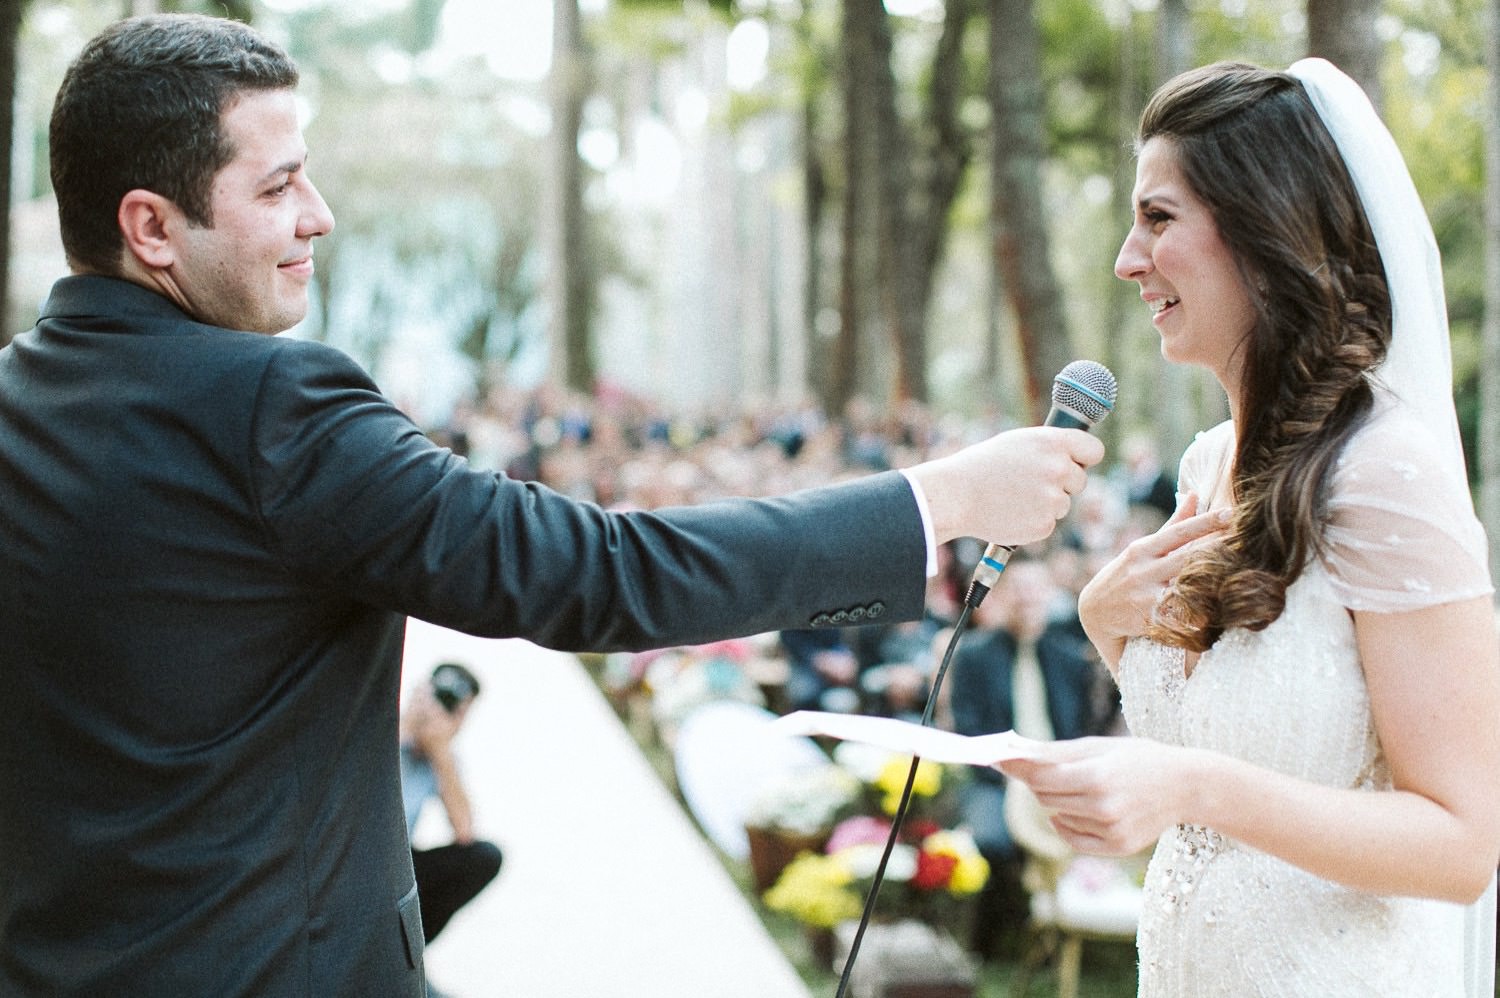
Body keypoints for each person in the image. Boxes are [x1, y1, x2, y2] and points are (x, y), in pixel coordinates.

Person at [0, 14, 1104, 998]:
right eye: (278, 185)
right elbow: (596, 568)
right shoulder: (273, 402)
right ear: (151, 227)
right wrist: (939, 497)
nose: (320, 215)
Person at [998, 59, 1500, 997]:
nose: (1126, 258)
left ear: (1262, 228)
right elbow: (1259, 719)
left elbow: (1463, 845)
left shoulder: (1385, 475)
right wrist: (1108, 621)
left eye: (1158, 218)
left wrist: (1193, 787)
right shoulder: (1206, 465)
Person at [944, 552, 1111, 957]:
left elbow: (1085, 727)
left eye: (1037, 590)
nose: (1028, 600)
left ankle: (1068, 933)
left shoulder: (1070, 657)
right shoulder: (974, 656)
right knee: (993, 839)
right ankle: (997, 939)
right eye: (1019, 590)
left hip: (1059, 774)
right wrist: (1012, 774)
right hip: (997, 776)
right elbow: (968, 730)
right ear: (1003, 597)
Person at [399, 663, 504, 946]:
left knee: (485, 857)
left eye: (456, 710)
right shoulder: (384, 730)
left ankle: (408, 958)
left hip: (396, 862)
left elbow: (465, 832)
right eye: (441, 699)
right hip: (349, 846)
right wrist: (407, 726)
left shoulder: (443, 759)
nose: (444, 714)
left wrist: (439, 751)